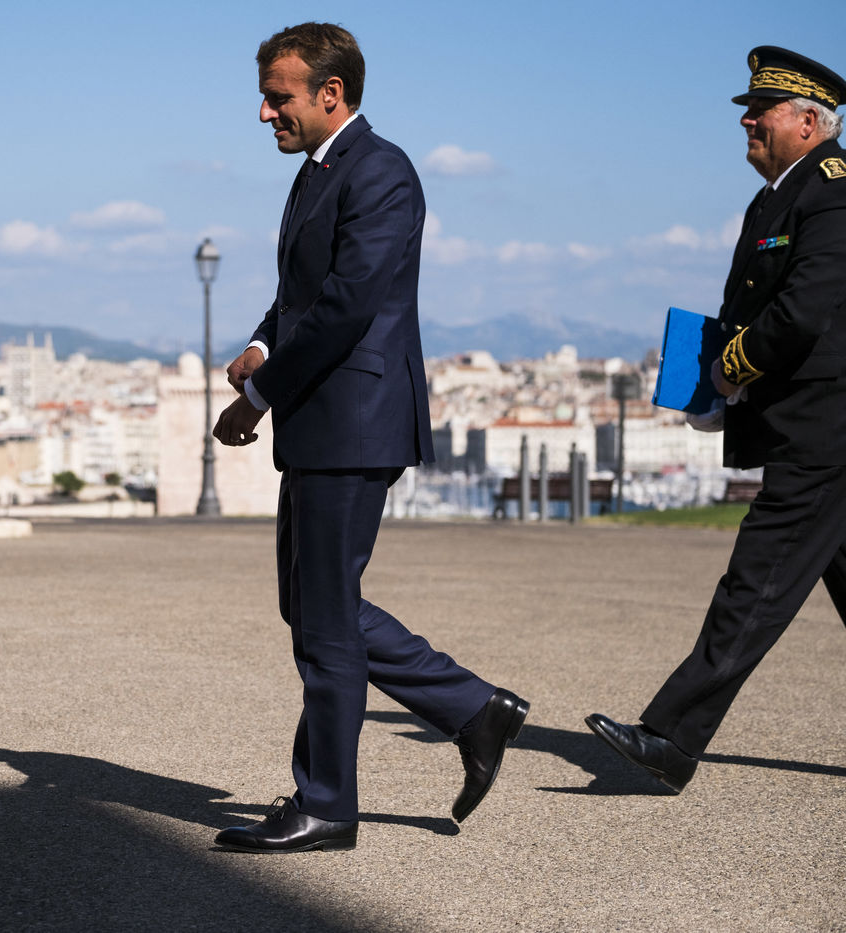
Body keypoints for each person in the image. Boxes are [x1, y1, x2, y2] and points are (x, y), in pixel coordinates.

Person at [210, 22, 529, 853]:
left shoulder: (381, 170)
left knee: (323, 619)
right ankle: (473, 708)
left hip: (351, 422)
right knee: (312, 605)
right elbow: (301, 295)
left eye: (277, 97)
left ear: (331, 93)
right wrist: (263, 345)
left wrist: (260, 396)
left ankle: (327, 804)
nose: (264, 113)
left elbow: (348, 303)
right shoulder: (319, 171)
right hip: (324, 421)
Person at [587, 47, 846, 793]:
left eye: (761, 109)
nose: (746, 120)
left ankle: (672, 737)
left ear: (808, 123)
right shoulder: (777, 197)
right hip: (807, 422)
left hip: (825, 427)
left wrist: (731, 368)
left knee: (756, 581)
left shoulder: (832, 192)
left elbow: (804, 312)